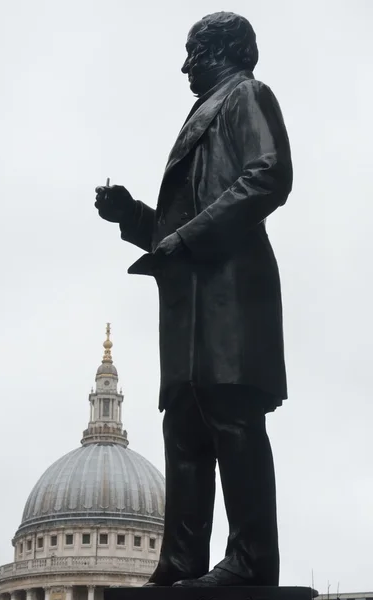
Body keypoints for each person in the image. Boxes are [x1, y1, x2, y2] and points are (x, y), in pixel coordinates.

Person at [95, 11, 292, 588]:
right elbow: (182, 223)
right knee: (184, 429)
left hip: (230, 296)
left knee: (233, 422)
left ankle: (252, 562)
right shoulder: (204, 111)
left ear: (226, 49)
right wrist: (133, 216)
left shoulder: (246, 95)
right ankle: (180, 561)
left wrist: (187, 238)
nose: (185, 64)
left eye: (194, 50)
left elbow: (269, 176)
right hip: (189, 302)